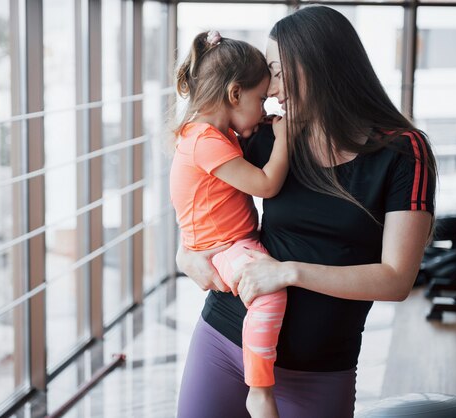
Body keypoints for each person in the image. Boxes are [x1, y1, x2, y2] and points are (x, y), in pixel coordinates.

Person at [175, 5, 437, 418]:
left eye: (276, 72)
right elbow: (199, 188)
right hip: (225, 338)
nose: (271, 89)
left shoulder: (404, 152)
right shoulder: (273, 137)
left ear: (317, 63)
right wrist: (185, 254)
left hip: (319, 370)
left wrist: (289, 271)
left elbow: (396, 280)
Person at [170, 30, 290, 418]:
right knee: (270, 294)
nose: (266, 106)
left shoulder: (209, 133)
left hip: (224, 242)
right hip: (225, 247)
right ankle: (259, 388)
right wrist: (284, 136)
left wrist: (251, 129)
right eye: (261, 99)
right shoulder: (207, 141)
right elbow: (267, 185)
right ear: (234, 95)